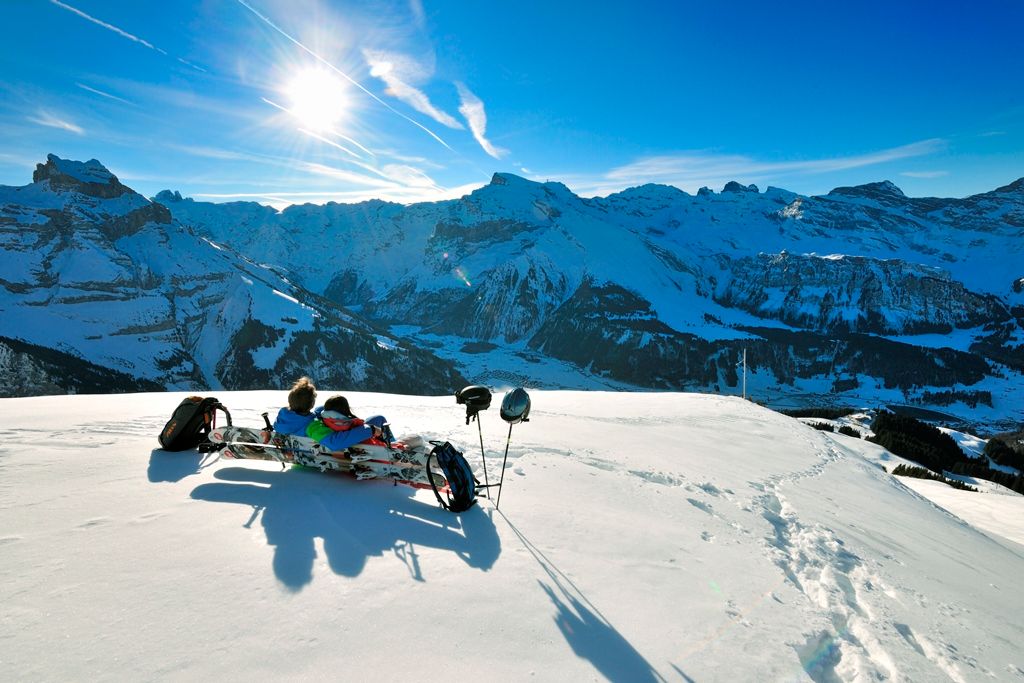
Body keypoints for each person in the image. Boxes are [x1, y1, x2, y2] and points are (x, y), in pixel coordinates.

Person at [306, 394, 391, 452]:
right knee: (380, 419)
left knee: (378, 418)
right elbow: (335, 443)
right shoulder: (350, 426)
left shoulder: (323, 421)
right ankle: (391, 445)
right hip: (368, 448)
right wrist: (371, 429)